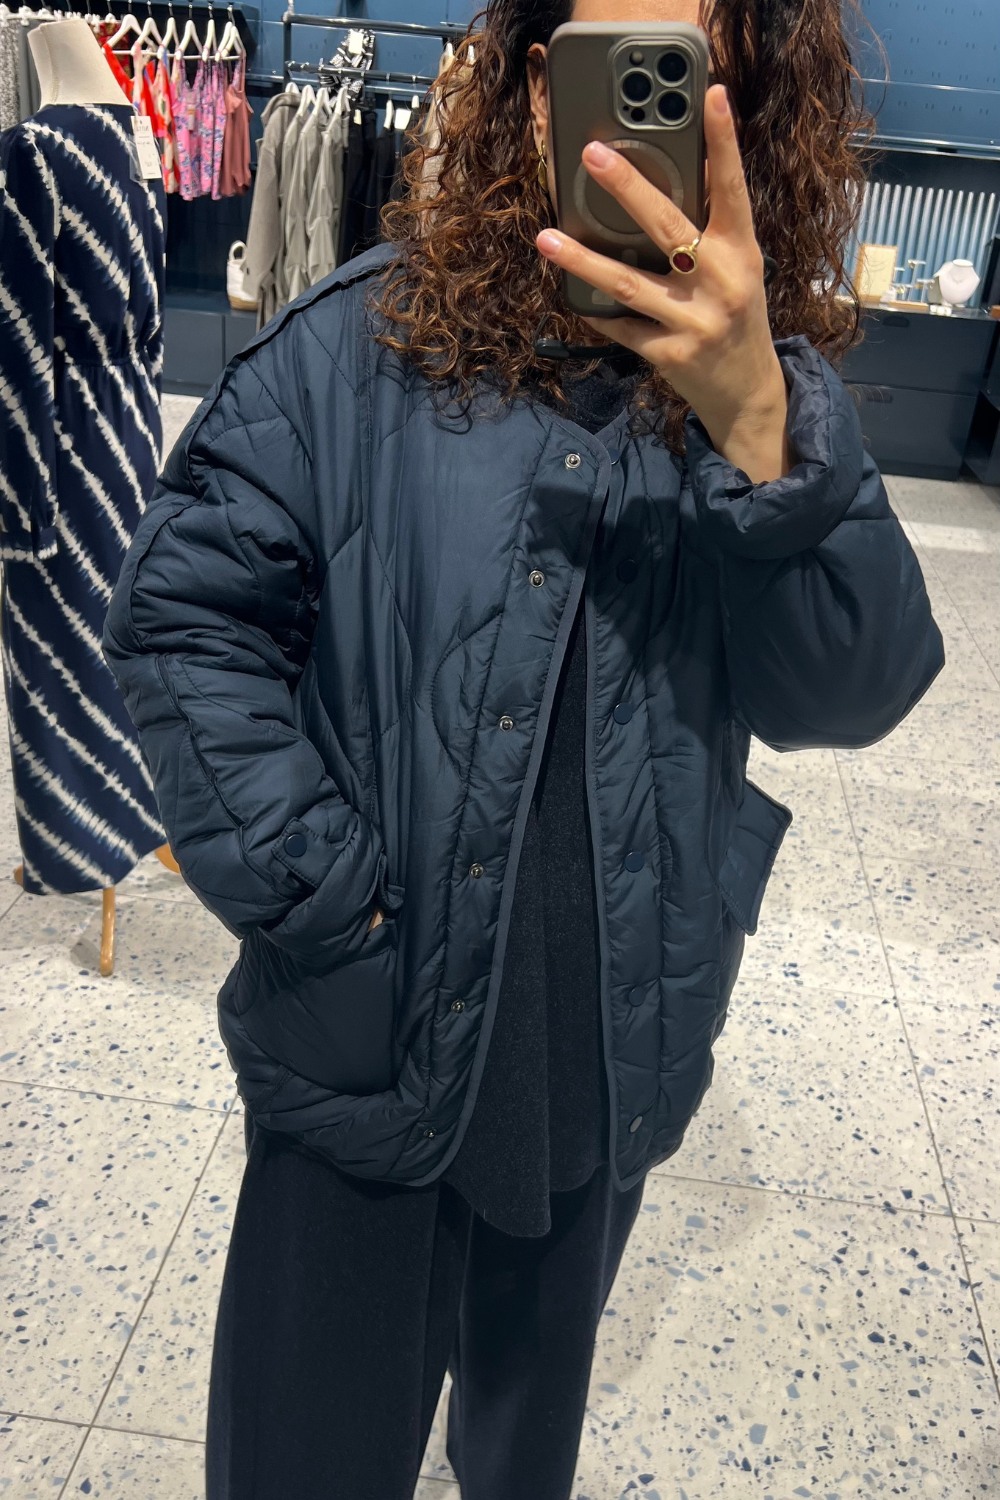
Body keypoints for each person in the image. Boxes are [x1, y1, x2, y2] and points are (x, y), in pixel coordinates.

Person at [103, 1, 944, 1496]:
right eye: (603, 69)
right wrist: (326, 906)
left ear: (747, 109)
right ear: (533, 90)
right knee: (304, 1461)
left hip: (603, 1056)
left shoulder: (772, 401)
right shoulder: (358, 347)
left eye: (680, 77)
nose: (629, 131)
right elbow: (184, 620)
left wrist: (762, 429)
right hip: (365, 1041)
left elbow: (853, 691)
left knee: (518, 1461)